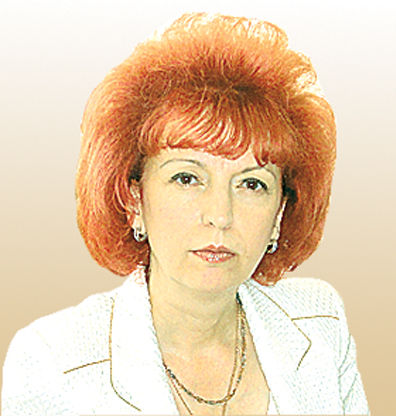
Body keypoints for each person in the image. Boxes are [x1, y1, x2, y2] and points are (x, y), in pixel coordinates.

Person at [1, 12, 370, 416]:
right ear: (134, 200)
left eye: (251, 184)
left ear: (280, 213)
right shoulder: (56, 364)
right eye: (187, 178)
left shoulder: (320, 323)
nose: (220, 215)